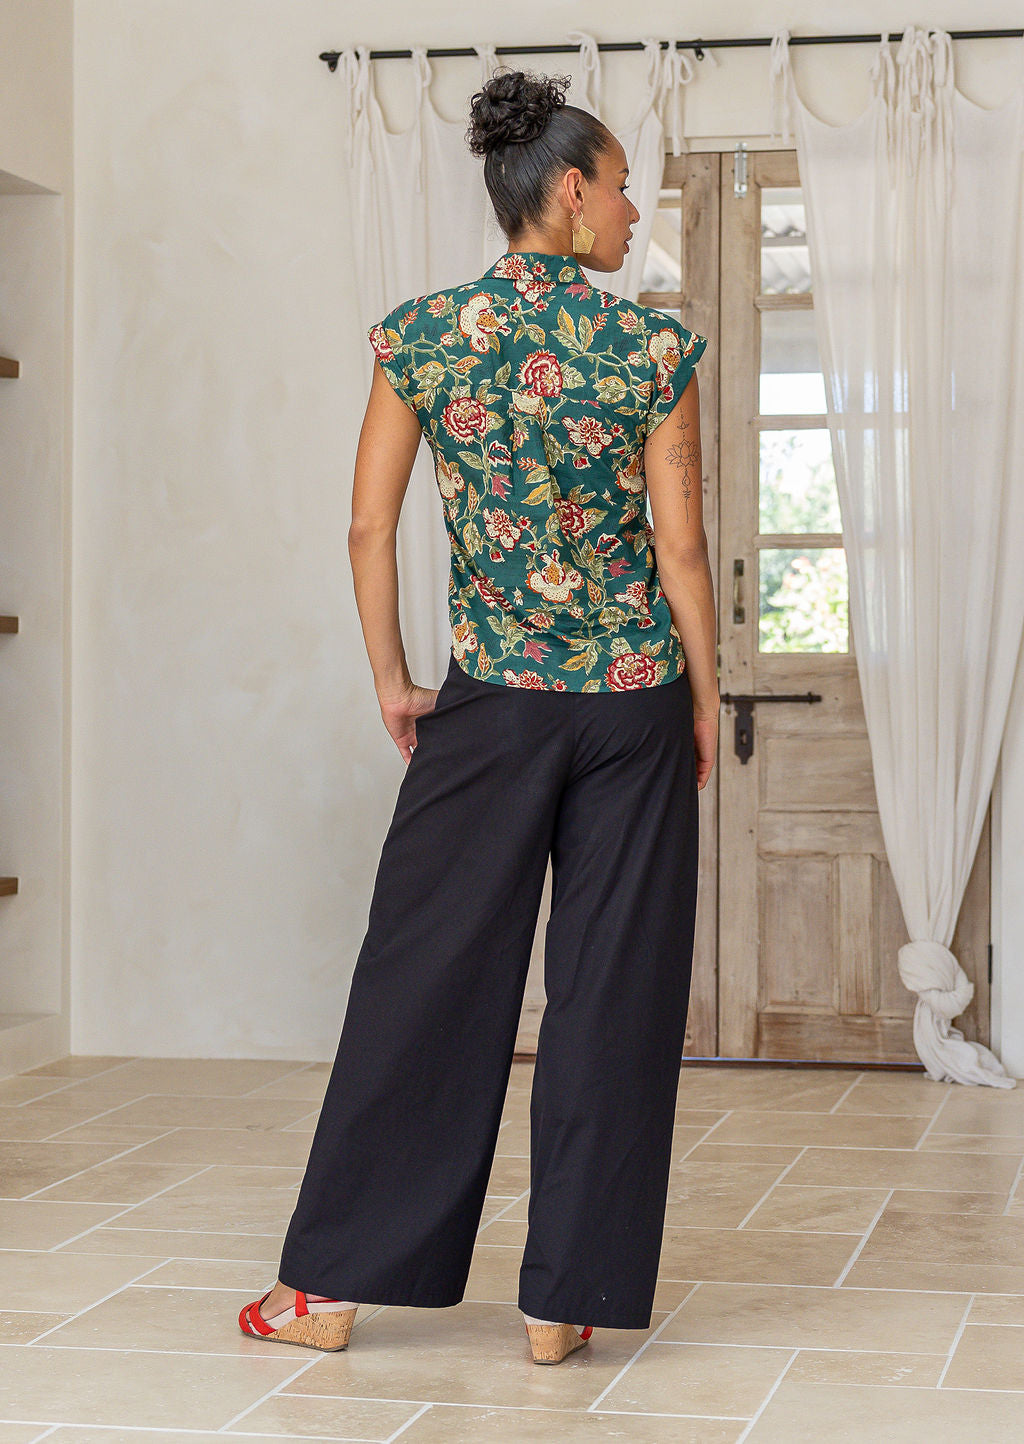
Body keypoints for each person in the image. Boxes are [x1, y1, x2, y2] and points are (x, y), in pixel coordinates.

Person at [238, 66, 719, 1366]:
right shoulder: (655, 345)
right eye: (621, 190)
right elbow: (682, 552)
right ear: (567, 194)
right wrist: (703, 697)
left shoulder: (425, 336)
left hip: (491, 702)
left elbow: (367, 524)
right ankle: (566, 1301)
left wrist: (395, 679)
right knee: (614, 996)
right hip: (630, 708)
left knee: (426, 984)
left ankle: (329, 1292)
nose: (631, 212)